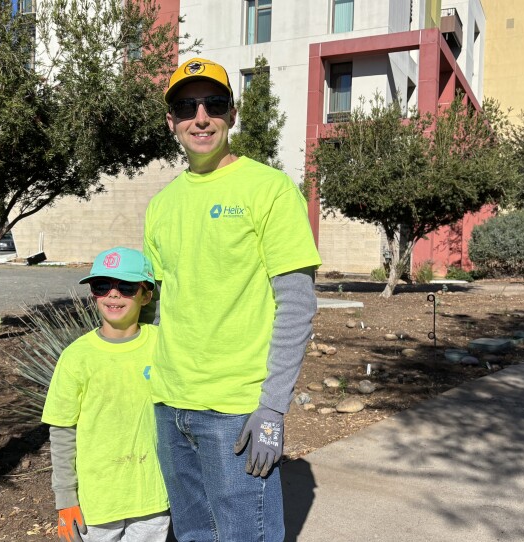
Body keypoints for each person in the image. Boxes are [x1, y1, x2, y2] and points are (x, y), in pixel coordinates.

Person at [143, 58, 322, 542]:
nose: (200, 117)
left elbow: (297, 305)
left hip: (237, 414)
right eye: (186, 107)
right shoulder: (161, 205)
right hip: (169, 406)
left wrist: (272, 409)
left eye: (213, 104)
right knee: (194, 536)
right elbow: (160, 307)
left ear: (232, 113)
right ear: (171, 121)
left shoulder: (268, 189)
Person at [41, 247, 169, 542]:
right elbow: (62, 431)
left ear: (146, 295)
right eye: (102, 286)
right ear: (94, 295)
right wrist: (66, 500)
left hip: (152, 496)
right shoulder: (76, 357)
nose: (113, 295)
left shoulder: (162, 345)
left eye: (126, 287)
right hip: (96, 503)